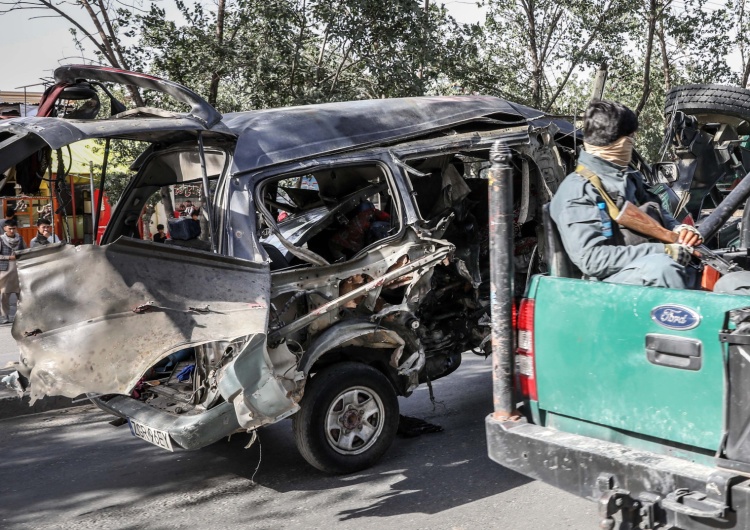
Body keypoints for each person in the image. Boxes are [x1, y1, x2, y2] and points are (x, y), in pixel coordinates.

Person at [549, 100, 702, 289]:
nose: (632, 142)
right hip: (604, 287)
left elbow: (656, 211)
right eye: (631, 137)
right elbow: (592, 259)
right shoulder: (577, 191)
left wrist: (679, 231)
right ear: (622, 142)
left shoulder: (629, 178)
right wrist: (664, 250)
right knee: (663, 270)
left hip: (643, 271)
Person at [0, 219, 26, 324]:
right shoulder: (1, 240)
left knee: (21, 294)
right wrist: (9, 257)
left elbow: (25, 251)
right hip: (5, 271)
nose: (11, 230)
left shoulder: (20, 238)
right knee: (4, 295)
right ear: (5, 228)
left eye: (13, 228)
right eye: (9, 228)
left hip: (19, 270)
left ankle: (21, 315)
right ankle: (5, 315)